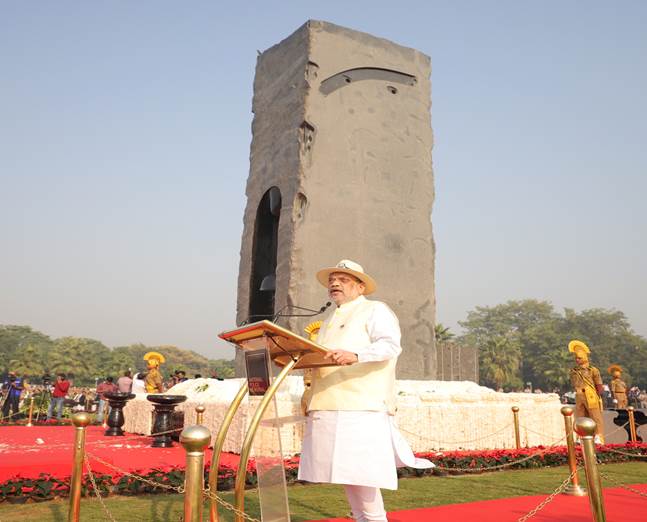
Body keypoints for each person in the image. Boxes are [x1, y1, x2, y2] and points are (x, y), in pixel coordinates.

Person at [297, 259, 432, 522]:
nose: (335, 283)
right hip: (328, 403)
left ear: (360, 287)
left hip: (361, 405)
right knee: (347, 475)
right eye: (332, 280)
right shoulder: (329, 319)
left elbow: (390, 346)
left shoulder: (375, 310)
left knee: (362, 473)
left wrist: (356, 355)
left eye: (343, 280)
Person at [568, 340, 604, 443]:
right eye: (576, 358)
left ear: (585, 357)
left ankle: (598, 435)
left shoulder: (592, 369)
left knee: (595, 415)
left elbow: (599, 384)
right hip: (578, 394)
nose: (577, 360)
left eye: (579, 358)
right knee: (580, 416)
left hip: (590, 394)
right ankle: (581, 435)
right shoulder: (574, 371)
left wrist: (599, 396)